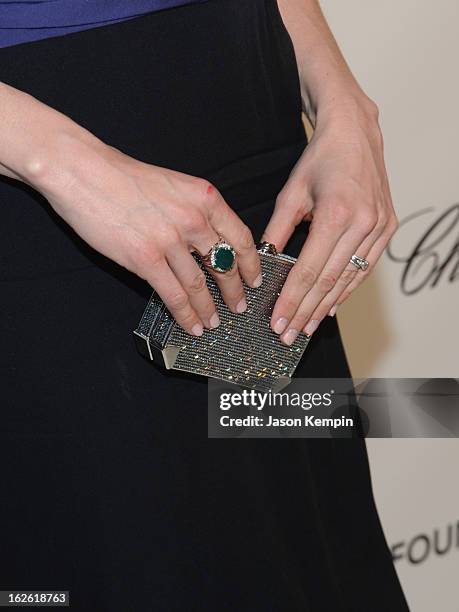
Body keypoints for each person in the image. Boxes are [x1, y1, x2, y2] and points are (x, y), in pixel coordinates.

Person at [0, 0, 409, 610]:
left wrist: (339, 98)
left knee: (306, 553)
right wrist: (60, 161)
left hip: (252, 111)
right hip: (40, 176)